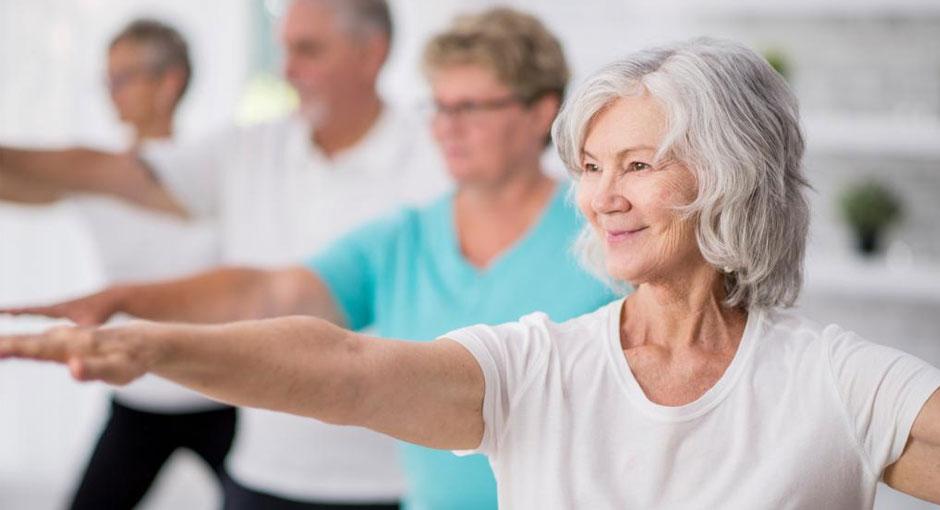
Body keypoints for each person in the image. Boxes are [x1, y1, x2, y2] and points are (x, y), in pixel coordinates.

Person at [4, 37, 939, 508]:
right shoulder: (540, 369)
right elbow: (342, 366)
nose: (603, 196)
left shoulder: (832, 380)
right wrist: (150, 341)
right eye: (593, 167)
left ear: (732, 175)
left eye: (640, 165)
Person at [2, 8, 616, 509]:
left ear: (540, 112)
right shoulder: (402, 237)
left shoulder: (606, 236)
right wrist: (130, 307)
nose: (447, 127)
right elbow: (274, 295)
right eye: (439, 106)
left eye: (471, 108)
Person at [1, 19, 233, 510]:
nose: (112, 94)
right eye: (107, 80)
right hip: (139, 392)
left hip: (222, 392)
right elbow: (16, 178)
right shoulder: (95, 178)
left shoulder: (217, 166)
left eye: (122, 78)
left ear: (168, 82)